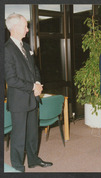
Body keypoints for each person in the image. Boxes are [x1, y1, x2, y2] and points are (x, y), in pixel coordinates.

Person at [4, 13, 53, 172]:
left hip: (32, 98)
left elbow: (35, 69)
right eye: (25, 26)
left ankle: (33, 160)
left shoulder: (26, 47)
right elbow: (11, 79)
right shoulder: (6, 50)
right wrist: (32, 87)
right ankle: (18, 167)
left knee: (32, 134)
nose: (27, 29)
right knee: (18, 137)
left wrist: (37, 83)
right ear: (16, 28)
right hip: (19, 101)